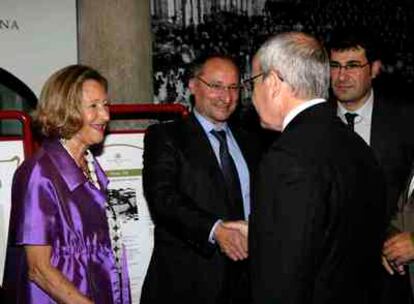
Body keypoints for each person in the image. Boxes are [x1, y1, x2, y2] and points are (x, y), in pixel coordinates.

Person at [248, 32, 387, 304]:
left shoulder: (286, 158)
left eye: (252, 83)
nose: (251, 96)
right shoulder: (357, 146)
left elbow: (282, 278)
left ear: (274, 82)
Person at [141, 54, 261, 304]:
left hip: (248, 284)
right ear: (193, 86)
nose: (226, 97)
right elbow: (162, 199)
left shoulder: (253, 141)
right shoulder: (166, 137)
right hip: (189, 284)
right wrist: (215, 230)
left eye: (233, 87)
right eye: (216, 86)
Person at [9, 65, 130, 303]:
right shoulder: (40, 172)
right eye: (93, 106)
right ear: (65, 110)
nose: (105, 115)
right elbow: (39, 270)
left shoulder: (93, 167)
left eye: (105, 105)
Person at [328, 27, 414, 303]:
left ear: (374, 69)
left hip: (391, 275)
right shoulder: (311, 124)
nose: (341, 76)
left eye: (352, 66)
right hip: (329, 278)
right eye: (335, 66)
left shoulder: (405, 121)